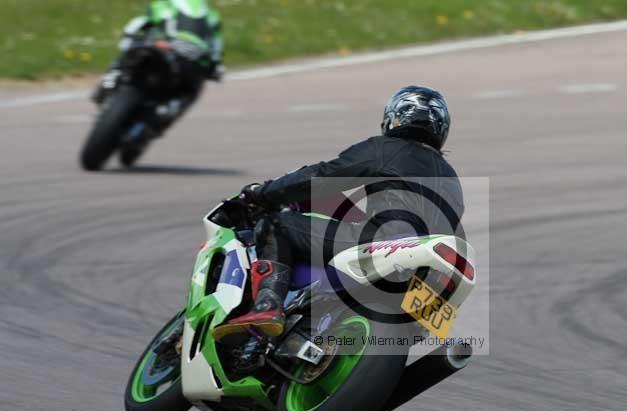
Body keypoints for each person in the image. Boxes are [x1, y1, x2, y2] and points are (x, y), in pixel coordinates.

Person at [212, 85, 464, 342]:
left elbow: (323, 176)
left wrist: (261, 194)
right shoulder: (453, 180)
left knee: (276, 225)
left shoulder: (385, 149)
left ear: (393, 118)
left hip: (381, 245)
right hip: (421, 270)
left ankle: (267, 306)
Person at [92, 0, 224, 134]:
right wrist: (216, 66)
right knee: (192, 89)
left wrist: (128, 38)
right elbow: (215, 48)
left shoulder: (162, 4)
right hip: (190, 61)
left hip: (162, 50)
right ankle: (164, 117)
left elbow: (139, 23)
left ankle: (110, 80)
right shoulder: (212, 16)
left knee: (131, 49)